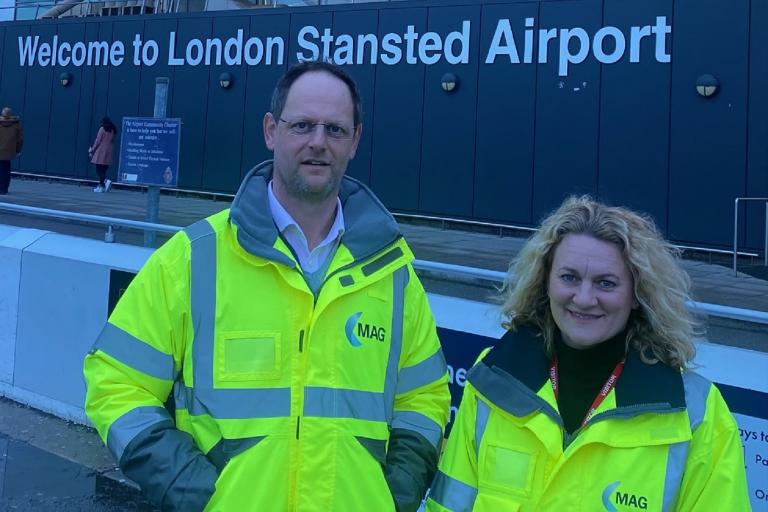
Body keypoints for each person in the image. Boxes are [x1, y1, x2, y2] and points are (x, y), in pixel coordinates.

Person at [84, 61, 450, 512]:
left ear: (354, 141)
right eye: (302, 125)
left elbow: (425, 398)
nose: (319, 142)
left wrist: (393, 496)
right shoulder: (193, 257)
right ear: (271, 131)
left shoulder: (392, 273)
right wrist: (193, 489)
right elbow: (115, 383)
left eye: (335, 129)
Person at [427, 196, 749, 511]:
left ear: (636, 294)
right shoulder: (492, 381)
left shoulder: (695, 415)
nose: (583, 298)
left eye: (606, 283)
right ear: (546, 282)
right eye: (569, 277)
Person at [89, 117, 117, 193]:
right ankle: (101, 187)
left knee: (98, 169)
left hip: (101, 150)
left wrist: (92, 150)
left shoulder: (102, 129)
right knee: (104, 170)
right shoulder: (112, 130)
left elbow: (98, 140)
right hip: (109, 151)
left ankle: (105, 181)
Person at [0, 107, 23, 195]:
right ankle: (4, 188)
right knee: (6, 169)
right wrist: (18, 151)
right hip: (9, 152)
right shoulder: (16, 125)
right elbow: (20, 140)